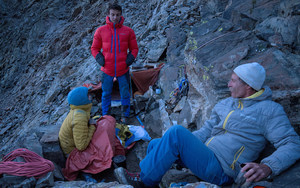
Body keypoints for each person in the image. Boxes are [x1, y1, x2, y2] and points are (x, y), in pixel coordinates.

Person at [114, 62, 300, 188]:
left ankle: (144, 182)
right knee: (157, 144)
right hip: (206, 156)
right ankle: (152, 177)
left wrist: (268, 166)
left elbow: (293, 144)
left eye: (233, 81)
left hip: (223, 170)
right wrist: (177, 145)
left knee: (176, 134)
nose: (228, 84)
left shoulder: (269, 111)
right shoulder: (227, 103)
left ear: (248, 87)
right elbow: (205, 131)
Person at [91, 3, 139, 124]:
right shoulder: (100, 31)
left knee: (125, 93)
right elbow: (94, 48)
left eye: (117, 15)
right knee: (106, 93)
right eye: (112, 14)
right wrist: (100, 59)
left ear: (121, 15)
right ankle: (106, 117)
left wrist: (128, 61)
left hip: (123, 69)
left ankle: (125, 116)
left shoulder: (128, 31)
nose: (115, 17)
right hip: (107, 70)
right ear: (108, 14)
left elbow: (134, 49)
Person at [59, 86, 98, 182]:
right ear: (82, 100)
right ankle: (86, 173)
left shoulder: (78, 110)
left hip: (71, 145)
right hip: (71, 153)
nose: (90, 97)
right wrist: (92, 127)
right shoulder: (79, 117)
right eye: (87, 96)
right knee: (100, 148)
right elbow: (81, 146)